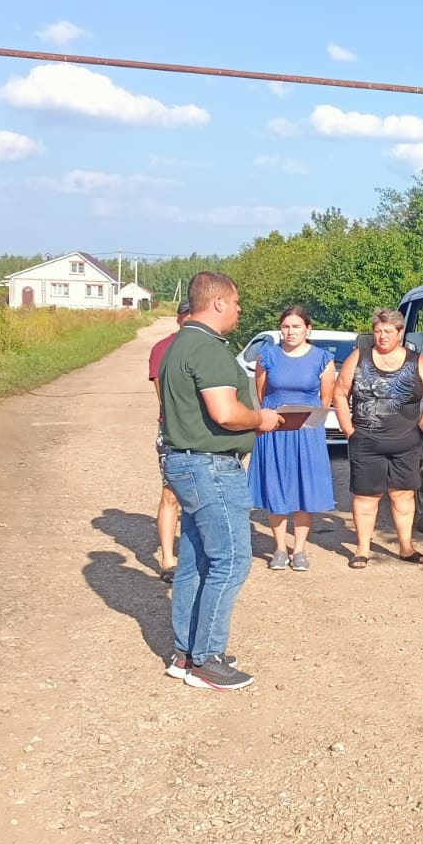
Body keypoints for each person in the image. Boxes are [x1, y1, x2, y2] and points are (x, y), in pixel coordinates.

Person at [158, 271, 282, 691]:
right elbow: (226, 413)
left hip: (187, 462)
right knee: (230, 560)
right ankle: (207, 660)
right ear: (217, 303)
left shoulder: (178, 345)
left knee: (196, 560)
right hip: (210, 465)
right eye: (236, 301)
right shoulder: (208, 349)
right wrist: (261, 419)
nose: (239, 309)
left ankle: (186, 653)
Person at [334, 308, 423, 569]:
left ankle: (406, 547)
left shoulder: (416, 361)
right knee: (366, 496)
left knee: (403, 495)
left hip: (406, 442)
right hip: (366, 441)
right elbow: (340, 392)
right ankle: (362, 550)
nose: (382, 336)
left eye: (388, 332)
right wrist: (348, 429)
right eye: (377, 331)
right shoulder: (359, 358)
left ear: (400, 333)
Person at [248, 304, 336, 571]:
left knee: (303, 488)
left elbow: (326, 399)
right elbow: (262, 393)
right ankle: (279, 549)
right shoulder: (268, 355)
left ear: (308, 329)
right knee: (277, 487)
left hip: (306, 433)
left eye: (296, 326)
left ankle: (299, 549)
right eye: (286, 326)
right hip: (275, 431)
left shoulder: (322, 358)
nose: (290, 332)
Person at [149, 298, 192, 583]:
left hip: (206, 433)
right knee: (171, 493)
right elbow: (162, 396)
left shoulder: (212, 346)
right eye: (186, 318)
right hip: (173, 430)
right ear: (178, 319)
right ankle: (168, 557)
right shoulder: (162, 349)